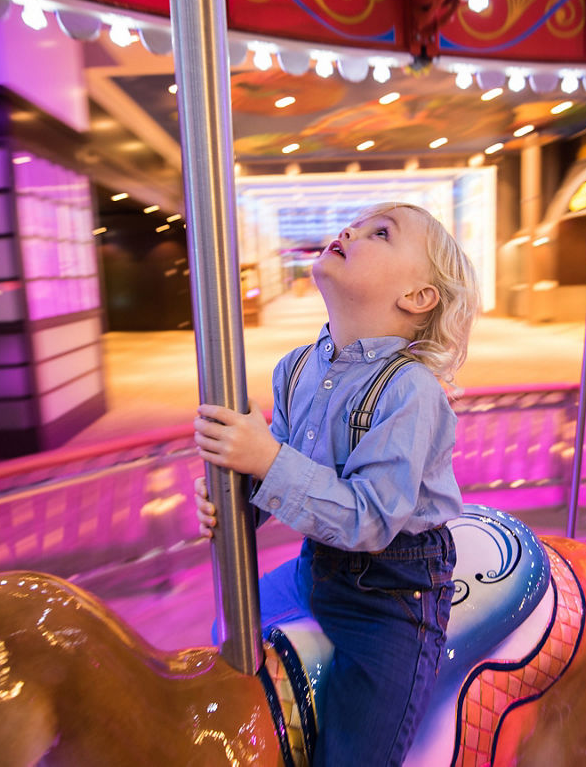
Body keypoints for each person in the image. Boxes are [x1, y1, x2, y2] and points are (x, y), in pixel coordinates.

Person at [193, 202, 478, 767]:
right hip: (318, 568)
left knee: (354, 755)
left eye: (381, 233)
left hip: (394, 595)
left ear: (418, 296)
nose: (350, 231)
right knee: (224, 639)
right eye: (358, 224)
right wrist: (239, 498)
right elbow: (294, 471)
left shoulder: (410, 392)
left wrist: (267, 460)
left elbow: (369, 519)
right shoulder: (296, 368)